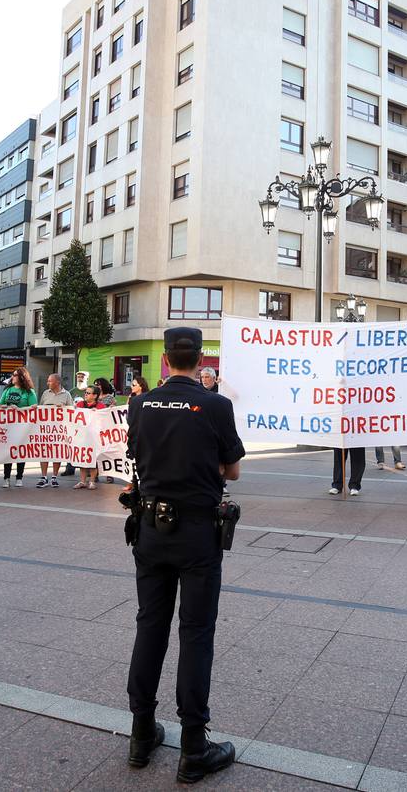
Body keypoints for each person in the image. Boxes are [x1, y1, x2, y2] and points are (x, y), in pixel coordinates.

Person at [124, 327, 242, 781]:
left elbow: (138, 453)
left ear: (167, 361)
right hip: (197, 532)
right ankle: (193, 745)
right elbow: (232, 468)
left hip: (151, 528)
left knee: (149, 625)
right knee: (196, 632)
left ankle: (140, 734)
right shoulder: (216, 405)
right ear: (199, 361)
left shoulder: (140, 403)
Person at [0, 368, 37, 488]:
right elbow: (0, 404)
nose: (13, 377)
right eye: (12, 375)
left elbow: (34, 406)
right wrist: (5, 407)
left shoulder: (29, 391)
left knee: (21, 451)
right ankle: (6, 477)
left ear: (21, 377)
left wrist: (19, 409)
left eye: (15, 375)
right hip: (8, 426)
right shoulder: (8, 389)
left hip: (22, 427)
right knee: (8, 451)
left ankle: (19, 477)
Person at [37, 373, 74, 487]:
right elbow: (40, 408)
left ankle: (54, 477)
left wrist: (63, 409)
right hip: (46, 428)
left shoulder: (66, 395)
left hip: (59, 429)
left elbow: (72, 411)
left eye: (50, 381)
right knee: (44, 452)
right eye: (48, 381)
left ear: (57, 382)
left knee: (57, 452)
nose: (48, 383)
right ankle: (43, 477)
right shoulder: (45, 393)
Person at [74, 386, 107, 488]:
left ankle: (92, 481)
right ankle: (83, 481)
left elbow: (105, 419)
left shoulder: (101, 406)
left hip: (94, 437)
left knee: (93, 460)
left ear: (95, 396)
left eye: (88, 393)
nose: (86, 394)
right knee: (82, 459)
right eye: (86, 392)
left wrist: (97, 413)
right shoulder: (80, 404)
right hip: (82, 436)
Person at [123, 375, 149, 492]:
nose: (131, 387)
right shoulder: (132, 398)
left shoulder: (148, 397)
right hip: (133, 430)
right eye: (131, 384)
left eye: (134, 385)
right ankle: (131, 482)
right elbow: (128, 414)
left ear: (141, 386)